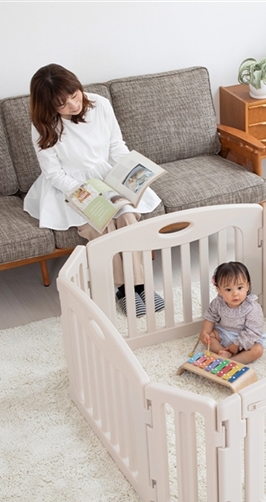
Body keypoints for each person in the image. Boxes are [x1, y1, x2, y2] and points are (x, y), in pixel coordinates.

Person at [25, 63, 164, 317]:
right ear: (49, 107)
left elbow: (116, 146)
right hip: (70, 186)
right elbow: (54, 174)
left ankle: (141, 285)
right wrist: (87, 194)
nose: (73, 105)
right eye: (62, 104)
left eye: (74, 95)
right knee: (102, 223)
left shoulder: (100, 104)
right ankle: (124, 290)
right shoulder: (43, 125)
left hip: (106, 177)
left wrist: (129, 171)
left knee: (127, 216)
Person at [199, 262, 266, 364]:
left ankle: (232, 361)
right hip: (224, 333)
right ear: (219, 290)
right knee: (205, 337)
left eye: (240, 288)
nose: (235, 294)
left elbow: (253, 332)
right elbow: (210, 316)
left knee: (257, 350)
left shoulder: (252, 308)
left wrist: (236, 345)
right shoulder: (218, 302)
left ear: (247, 286)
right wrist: (205, 332)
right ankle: (223, 352)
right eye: (228, 289)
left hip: (246, 338)